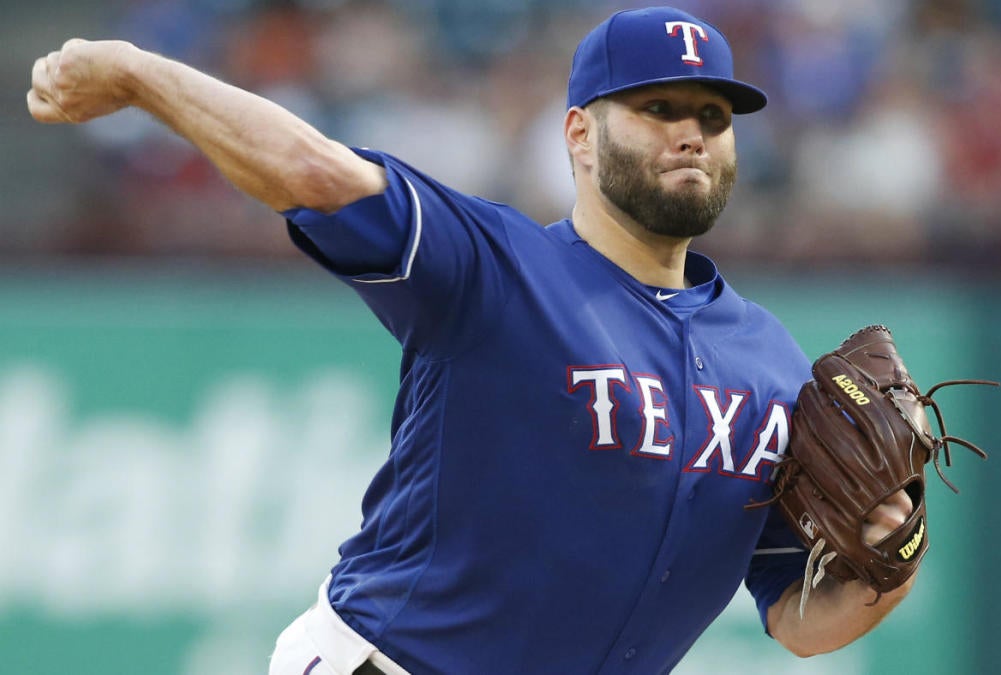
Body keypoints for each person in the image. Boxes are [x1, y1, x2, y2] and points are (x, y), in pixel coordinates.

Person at [28, 6, 917, 674]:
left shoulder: (770, 361)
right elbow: (313, 172)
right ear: (579, 134)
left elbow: (802, 622)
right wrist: (139, 73)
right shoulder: (496, 267)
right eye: (656, 106)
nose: (691, 131)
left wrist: (899, 547)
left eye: (714, 116)